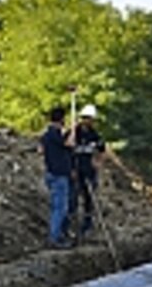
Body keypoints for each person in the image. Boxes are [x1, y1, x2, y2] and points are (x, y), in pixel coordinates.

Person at [39, 106, 76, 248]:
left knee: (59, 206)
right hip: (58, 176)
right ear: (61, 120)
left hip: (52, 174)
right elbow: (69, 144)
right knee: (60, 208)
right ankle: (54, 238)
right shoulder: (54, 134)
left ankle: (59, 235)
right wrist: (71, 132)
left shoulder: (47, 136)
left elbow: (42, 149)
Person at [70, 104, 107, 237]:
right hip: (76, 169)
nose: (88, 121)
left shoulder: (94, 134)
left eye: (90, 119)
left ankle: (87, 224)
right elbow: (68, 150)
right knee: (73, 198)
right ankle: (71, 225)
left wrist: (98, 162)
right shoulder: (75, 133)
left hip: (89, 169)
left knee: (89, 198)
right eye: (86, 118)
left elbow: (102, 150)